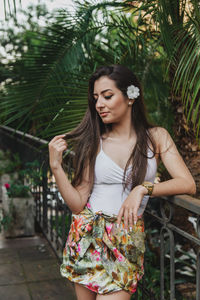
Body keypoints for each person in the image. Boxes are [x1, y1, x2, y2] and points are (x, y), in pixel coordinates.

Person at [48, 65, 196, 300]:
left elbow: (187, 184)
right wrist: (56, 167)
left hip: (125, 238)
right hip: (87, 235)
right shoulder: (93, 141)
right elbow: (77, 203)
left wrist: (142, 188)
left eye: (107, 96)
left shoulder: (156, 137)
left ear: (130, 96)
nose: (99, 105)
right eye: (96, 98)